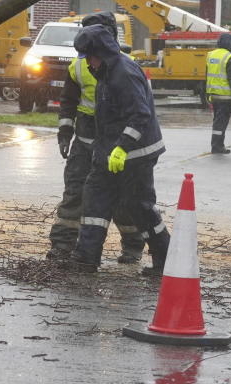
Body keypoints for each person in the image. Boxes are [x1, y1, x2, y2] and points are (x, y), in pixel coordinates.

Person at [70, 24, 170, 275]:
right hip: (110, 154)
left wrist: (123, 147)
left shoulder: (123, 73)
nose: (88, 64)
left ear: (100, 53)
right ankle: (85, 259)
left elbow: (140, 115)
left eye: (90, 58)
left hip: (135, 156)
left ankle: (166, 261)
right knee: (94, 202)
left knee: (140, 208)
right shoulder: (106, 71)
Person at [46, 12, 145, 264]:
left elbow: (141, 111)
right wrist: (65, 133)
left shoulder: (128, 66)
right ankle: (62, 245)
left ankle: (132, 247)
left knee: (124, 196)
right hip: (86, 137)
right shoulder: (78, 66)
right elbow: (68, 102)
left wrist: (128, 144)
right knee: (75, 192)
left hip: (115, 139)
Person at [205, 32, 231, 154]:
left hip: (214, 95)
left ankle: (217, 145)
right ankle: (217, 146)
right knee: (221, 122)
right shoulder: (229, 57)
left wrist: (207, 93)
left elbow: (207, 75)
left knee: (217, 120)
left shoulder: (210, 55)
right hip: (225, 97)